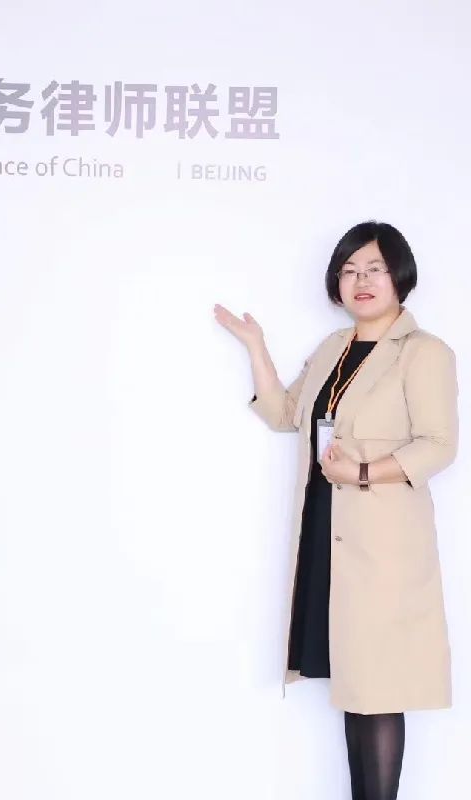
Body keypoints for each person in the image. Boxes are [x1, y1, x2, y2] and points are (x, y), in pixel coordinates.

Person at [213, 221, 459, 800]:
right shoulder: (333, 349)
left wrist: (364, 472)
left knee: (377, 690)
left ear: (400, 276)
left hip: (382, 547)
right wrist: (255, 346)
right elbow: (286, 414)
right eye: (349, 271)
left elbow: (439, 445)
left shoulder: (423, 353)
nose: (361, 280)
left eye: (374, 268)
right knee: (355, 688)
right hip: (328, 534)